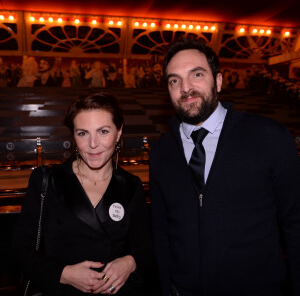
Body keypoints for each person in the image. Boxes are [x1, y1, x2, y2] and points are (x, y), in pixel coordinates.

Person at [149, 37, 300, 296]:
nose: (186, 88)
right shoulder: (161, 152)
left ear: (218, 81)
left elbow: (296, 222)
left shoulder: (268, 136)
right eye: (174, 80)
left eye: (196, 74)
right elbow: (161, 234)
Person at [13, 93, 153, 295]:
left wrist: (130, 262)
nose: (93, 144)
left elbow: (147, 249)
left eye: (103, 131)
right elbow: (20, 250)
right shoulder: (47, 181)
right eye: (82, 133)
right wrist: (64, 273)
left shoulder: (131, 185)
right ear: (73, 136)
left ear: (119, 132)